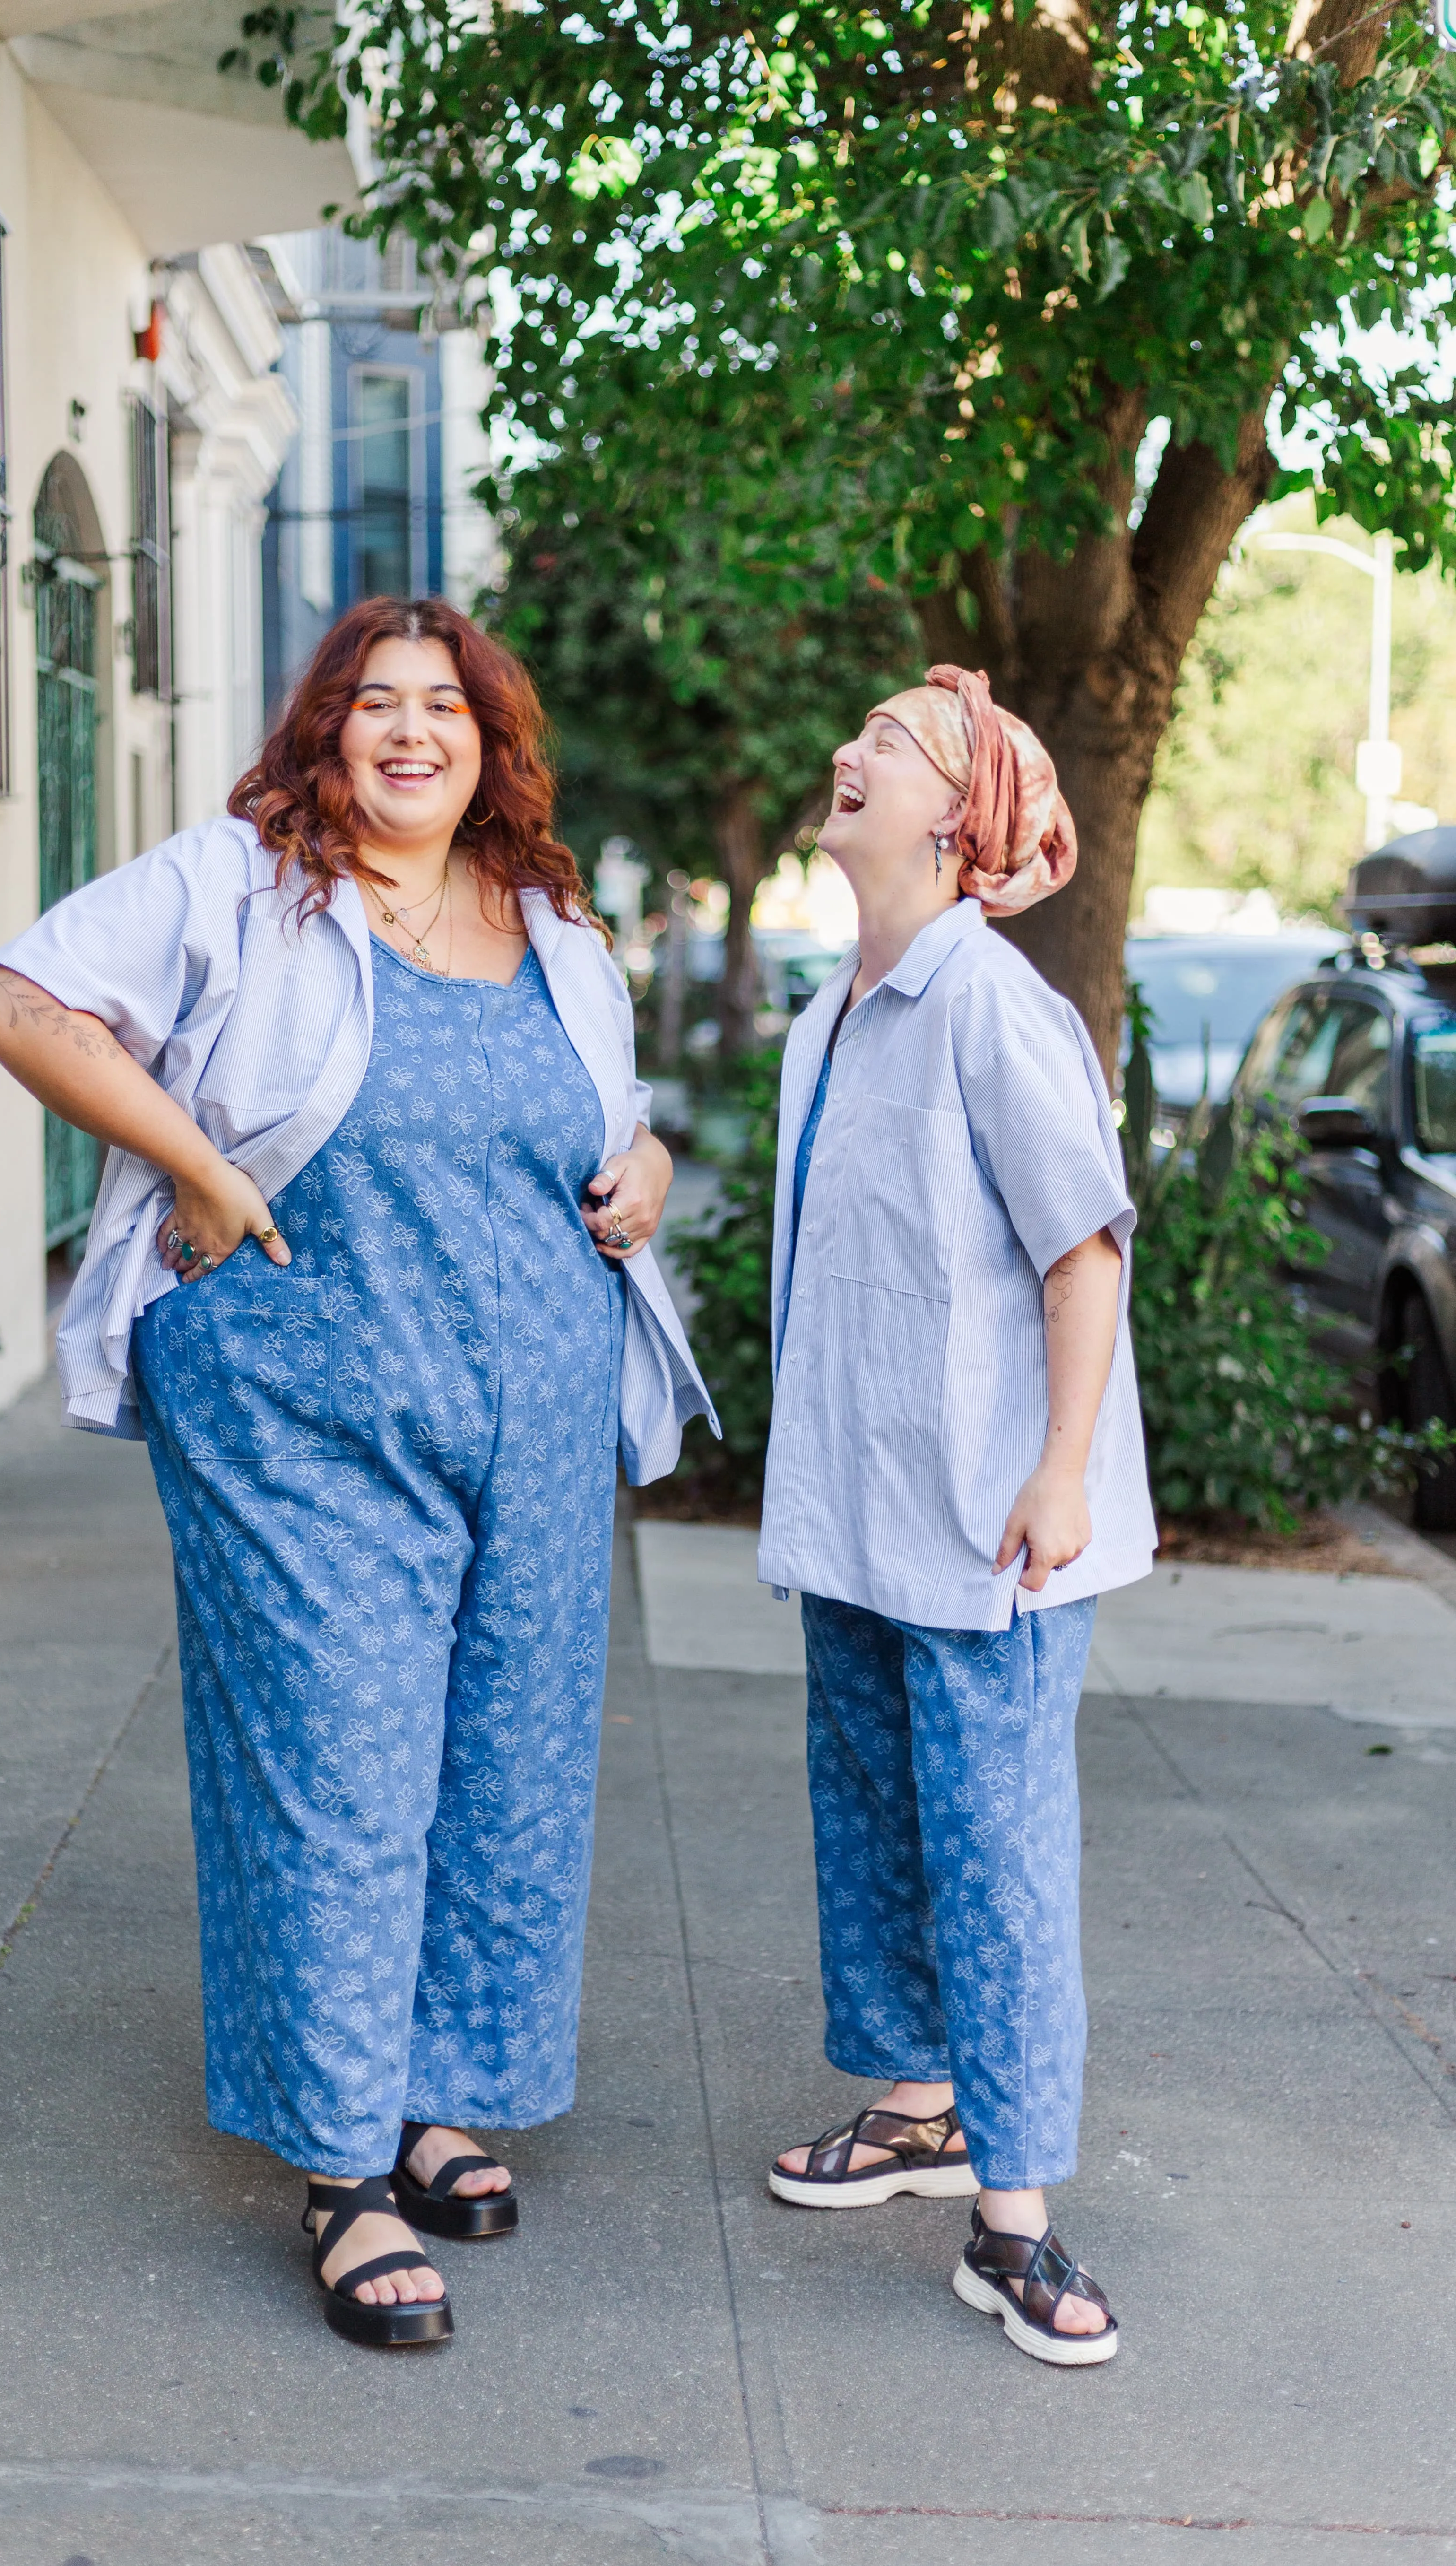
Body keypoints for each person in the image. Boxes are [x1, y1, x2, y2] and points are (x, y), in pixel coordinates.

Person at [0, 596, 715, 2350]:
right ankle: (340, 2171)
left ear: (490, 741)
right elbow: (18, 1000)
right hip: (299, 1408)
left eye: (442, 707)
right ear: (325, 733)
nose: (408, 731)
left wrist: (655, 1161)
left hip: (529, 1410)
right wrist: (198, 1174)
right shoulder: (240, 882)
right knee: (335, 1763)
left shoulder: (552, 923)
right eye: (373, 704)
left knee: (505, 1768)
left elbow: (606, 1121)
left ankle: (434, 2091)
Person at [760, 666, 1154, 2368]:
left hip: (993, 1528)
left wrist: (1062, 1468)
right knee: (878, 1828)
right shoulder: (831, 1013)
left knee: (994, 1863)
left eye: (895, 748)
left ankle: (1018, 2226)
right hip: (856, 1519)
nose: (850, 753)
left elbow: (1086, 1248)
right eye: (857, 734)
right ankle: (921, 2109)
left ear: (961, 817)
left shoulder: (991, 1004)